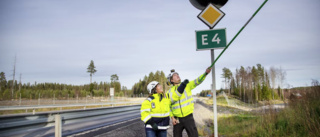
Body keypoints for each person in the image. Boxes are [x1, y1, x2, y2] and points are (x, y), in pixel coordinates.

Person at [166, 68, 211, 137]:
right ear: (171, 80)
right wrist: (172, 118)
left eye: (178, 74)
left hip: (188, 117)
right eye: (175, 75)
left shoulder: (187, 85)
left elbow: (198, 81)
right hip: (177, 119)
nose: (177, 75)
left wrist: (205, 73)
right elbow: (168, 106)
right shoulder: (169, 92)